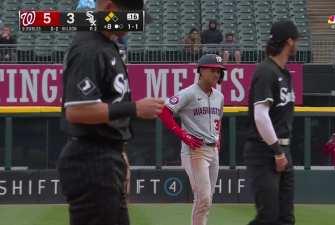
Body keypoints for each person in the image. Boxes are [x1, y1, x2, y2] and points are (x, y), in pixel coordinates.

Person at [57, 1, 164, 225]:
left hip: (105, 156)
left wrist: (120, 155)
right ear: (109, 8)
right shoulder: (89, 48)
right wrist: (135, 108)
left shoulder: (106, 44)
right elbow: (76, 111)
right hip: (90, 161)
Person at [243, 20, 299, 225]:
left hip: (283, 151)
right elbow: (260, 115)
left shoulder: (283, 73)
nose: (297, 44)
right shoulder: (266, 71)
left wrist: (282, 153)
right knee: (268, 217)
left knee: (285, 218)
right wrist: (277, 152)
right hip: (264, 150)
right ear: (289, 41)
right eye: (296, 40)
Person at [158, 54, 225, 225]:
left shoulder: (219, 96)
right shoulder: (189, 93)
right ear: (201, 71)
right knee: (203, 198)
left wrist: (218, 138)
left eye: (219, 71)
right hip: (195, 150)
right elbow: (164, 111)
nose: (217, 74)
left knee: (206, 198)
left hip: (212, 150)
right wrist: (183, 135)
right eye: (213, 70)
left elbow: (218, 120)